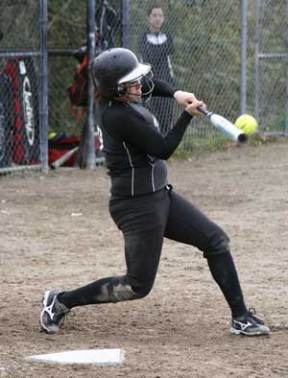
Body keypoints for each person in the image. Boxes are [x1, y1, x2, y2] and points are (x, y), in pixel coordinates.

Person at [40, 47, 270, 337]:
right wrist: (186, 116)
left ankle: (240, 317)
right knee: (137, 285)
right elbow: (163, 149)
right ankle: (60, 301)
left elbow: (152, 86)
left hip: (159, 196)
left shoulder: (124, 98)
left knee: (215, 241)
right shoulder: (117, 117)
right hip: (137, 207)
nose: (140, 86)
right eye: (132, 82)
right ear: (118, 90)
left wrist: (175, 93)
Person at [138, 5, 175, 135]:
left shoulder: (168, 37)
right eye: (154, 15)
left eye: (160, 15)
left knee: (167, 112)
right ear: (149, 18)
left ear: (163, 19)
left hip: (166, 78)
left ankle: (166, 139)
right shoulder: (143, 38)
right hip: (150, 79)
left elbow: (168, 59)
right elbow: (144, 59)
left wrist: (171, 78)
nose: (157, 18)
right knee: (152, 112)